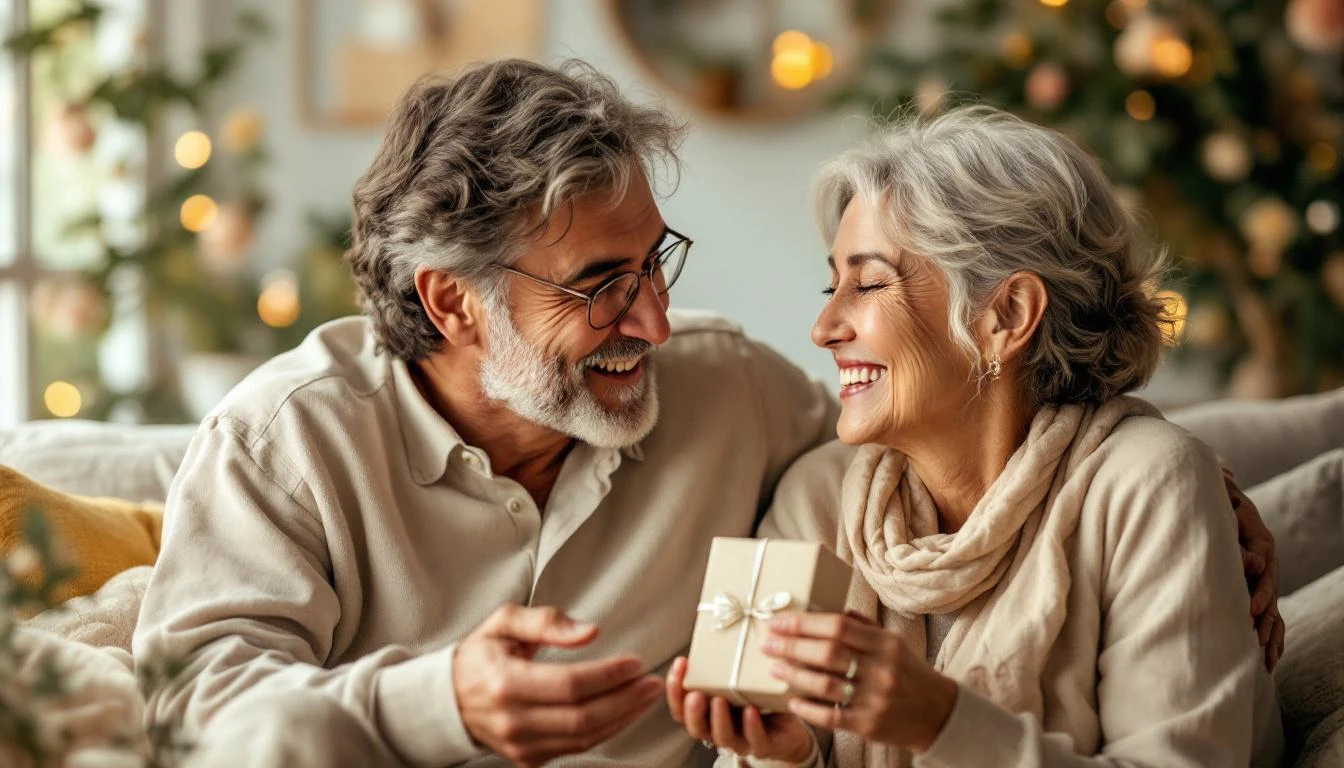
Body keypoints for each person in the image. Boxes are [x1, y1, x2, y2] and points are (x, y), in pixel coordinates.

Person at [132, 60, 1278, 767]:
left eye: (656, 261)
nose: (658, 322)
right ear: (453, 304)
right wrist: (442, 706)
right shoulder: (284, 445)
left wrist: (1210, 502)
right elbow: (189, 722)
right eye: (599, 286)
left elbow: (986, 446)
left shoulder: (740, 402)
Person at [668, 105, 1285, 767]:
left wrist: (943, 723)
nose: (824, 327)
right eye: (832, 283)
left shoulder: (1148, 485)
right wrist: (785, 758)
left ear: (1007, 315)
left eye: (869, 282)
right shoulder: (816, 496)